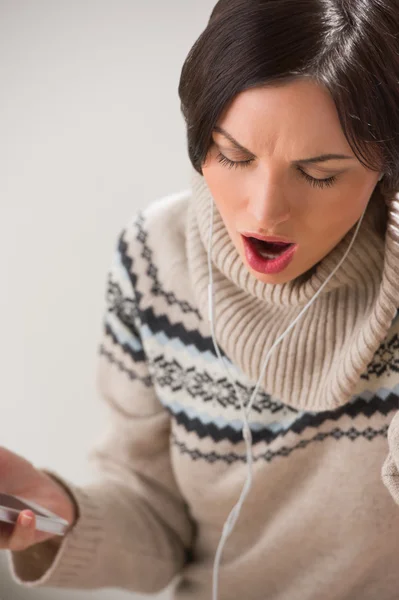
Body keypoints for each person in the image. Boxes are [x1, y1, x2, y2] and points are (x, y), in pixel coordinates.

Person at [2, 0, 399, 598]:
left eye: (319, 174)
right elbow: (155, 524)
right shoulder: (153, 262)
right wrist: (61, 513)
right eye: (233, 155)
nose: (264, 212)